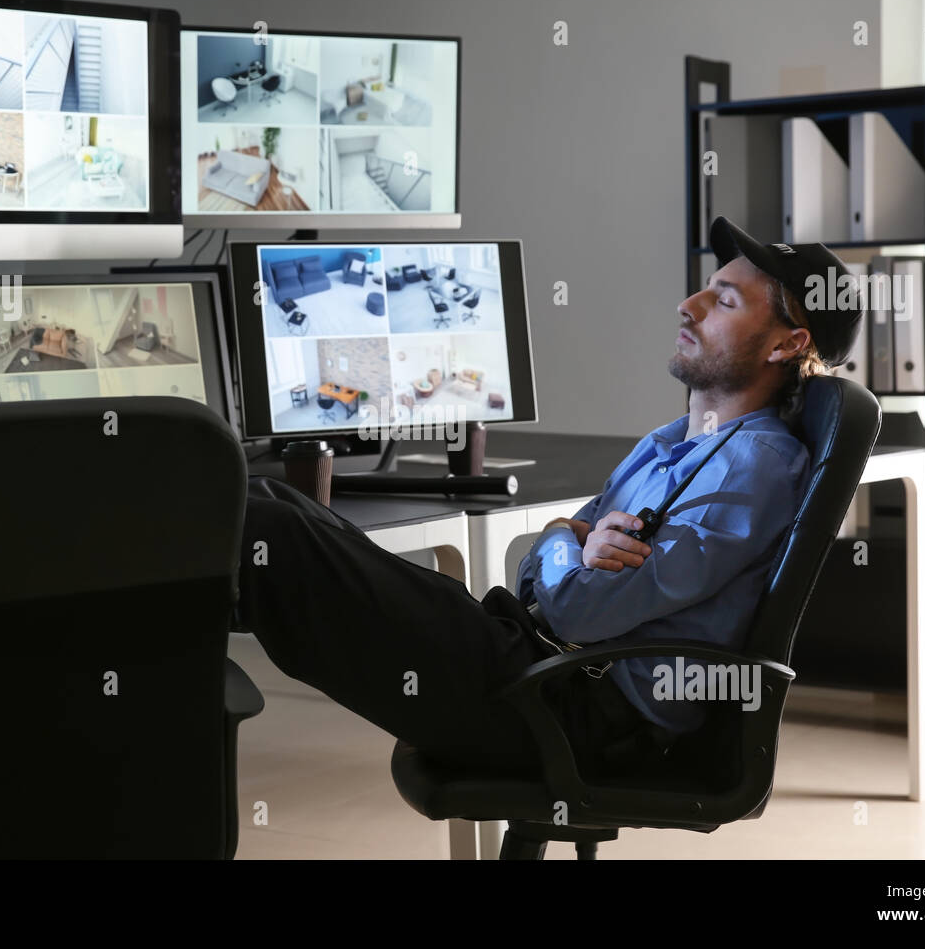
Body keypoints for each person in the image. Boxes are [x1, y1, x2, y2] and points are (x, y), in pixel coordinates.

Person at [234, 216, 865, 780]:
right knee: (270, 503)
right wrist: (571, 540)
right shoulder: (669, 441)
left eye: (723, 301)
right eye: (704, 288)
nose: (688, 305)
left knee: (267, 532)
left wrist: (564, 532)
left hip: (577, 709)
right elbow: (541, 581)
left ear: (787, 345)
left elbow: (575, 611)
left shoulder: (755, 465)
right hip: (536, 658)